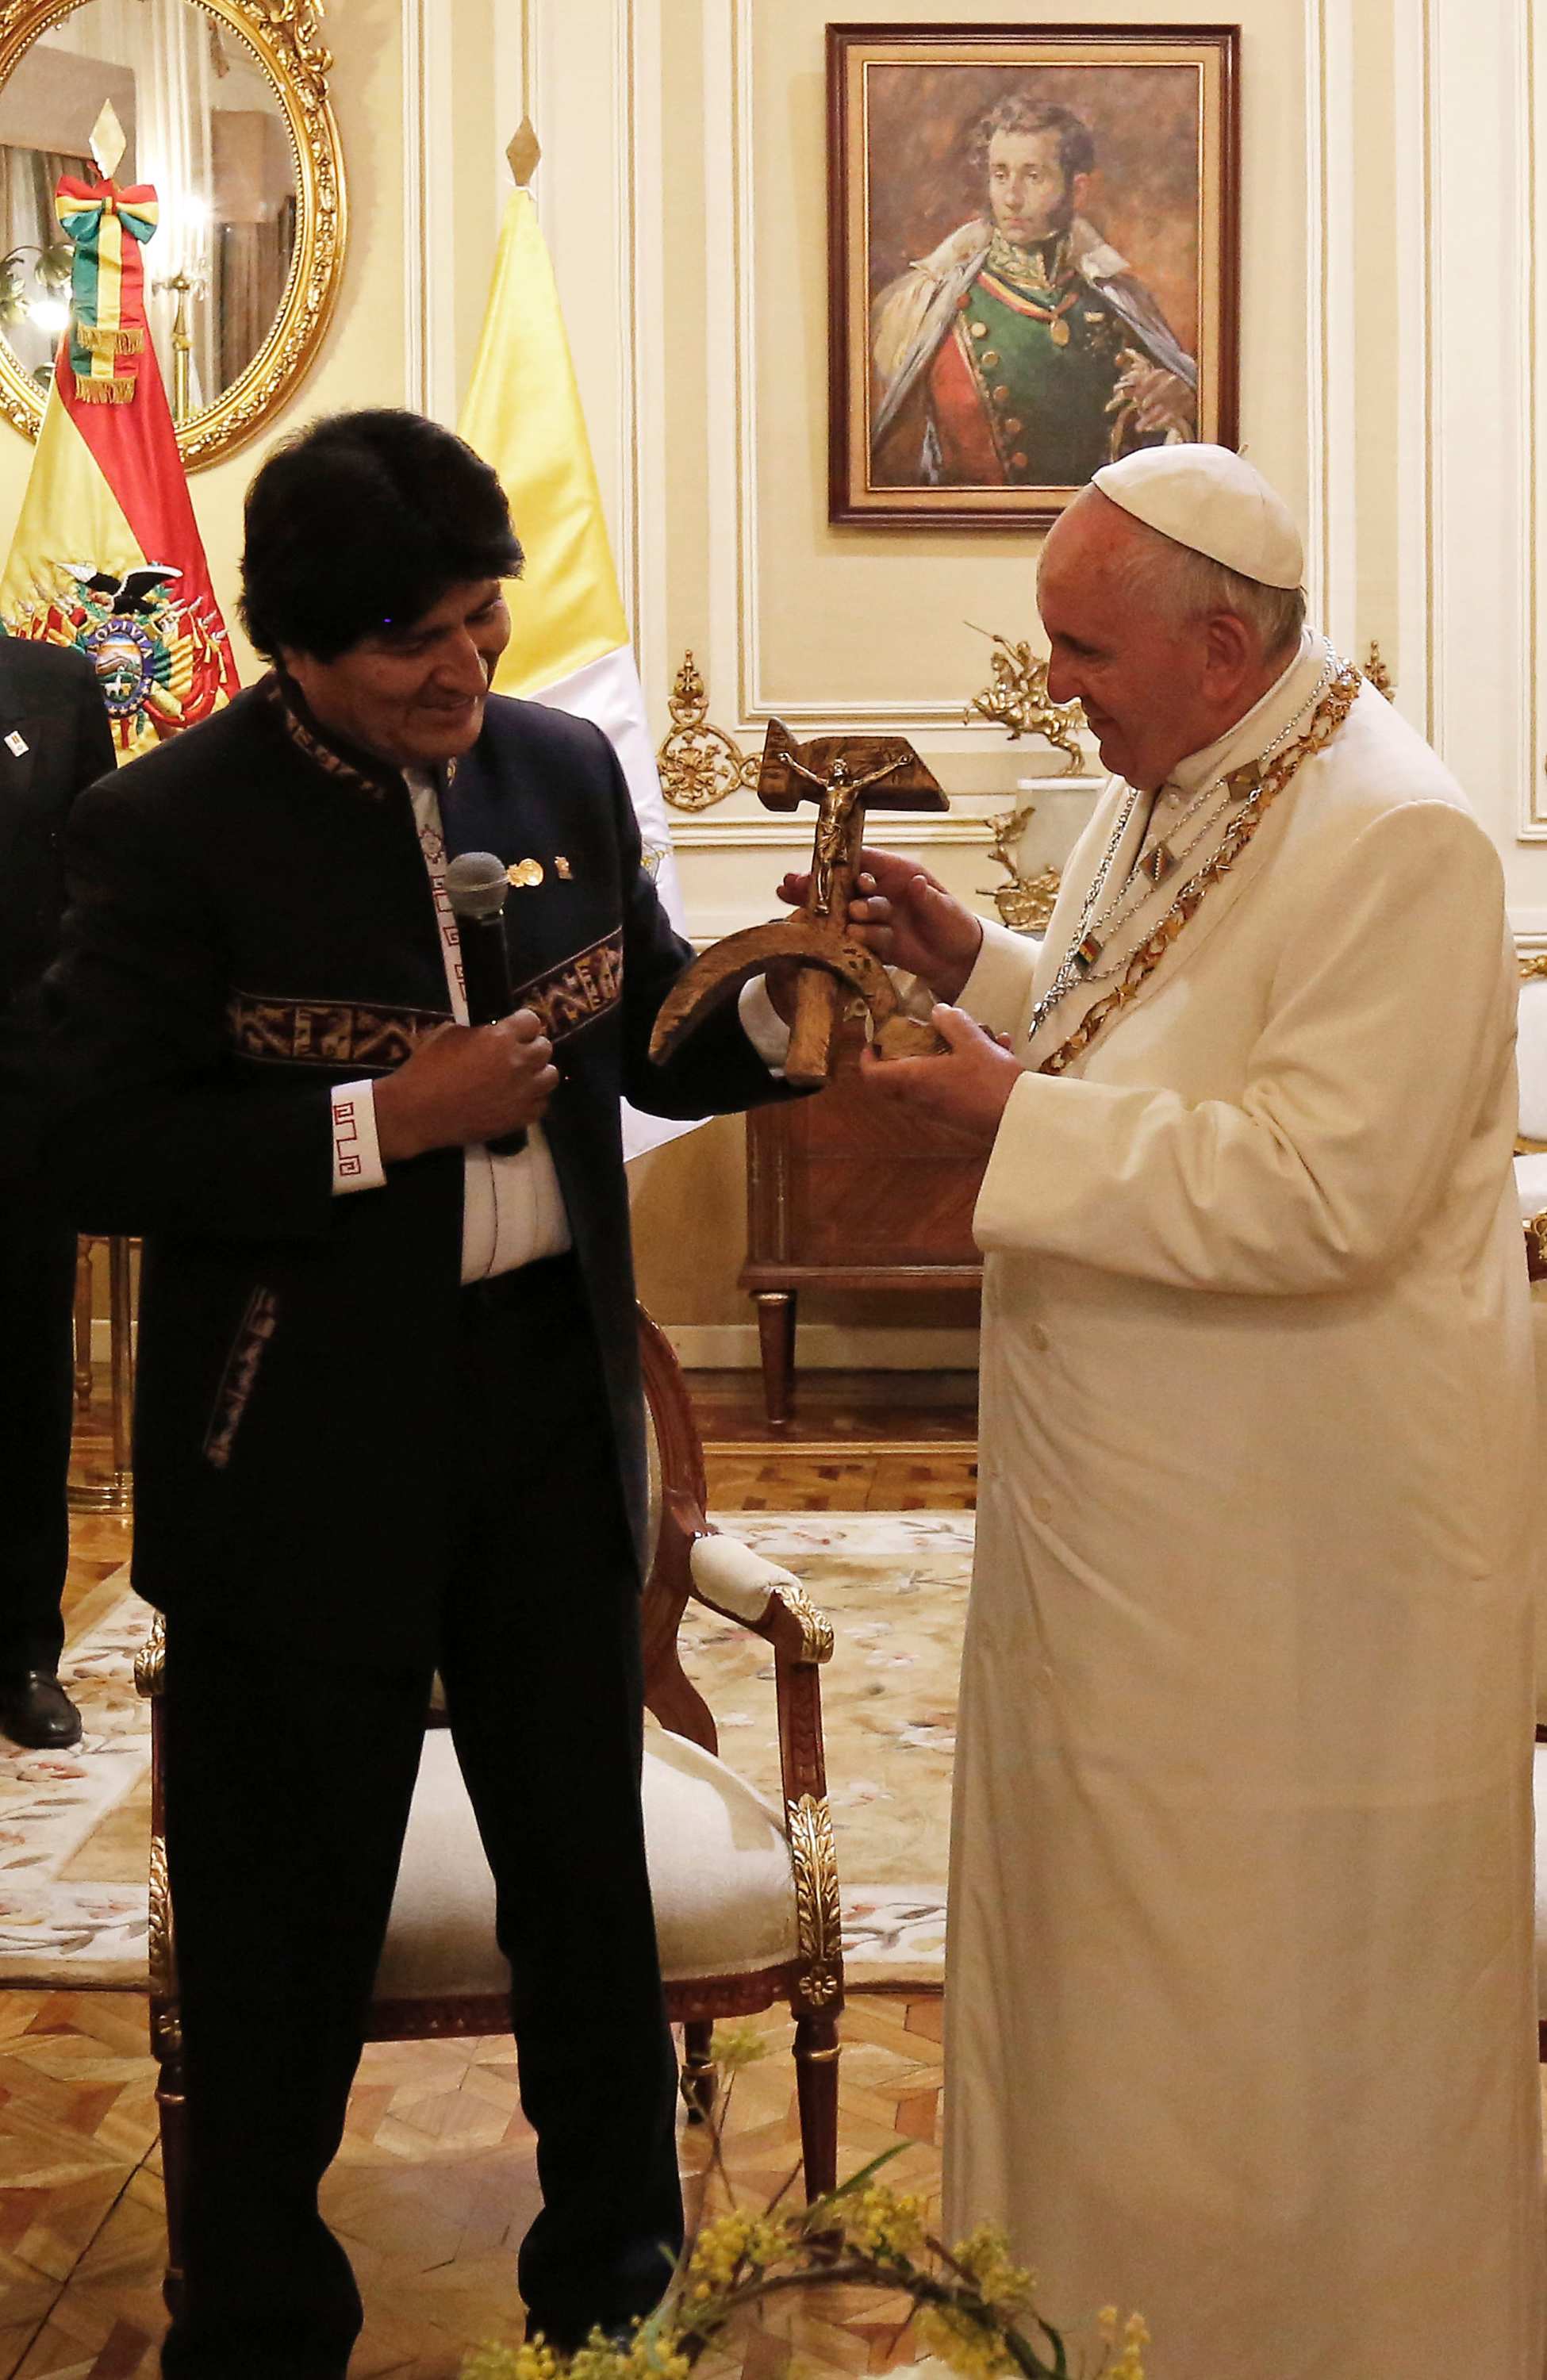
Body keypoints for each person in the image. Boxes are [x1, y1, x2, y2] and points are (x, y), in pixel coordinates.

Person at [775, 445, 1545, 2374]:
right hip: (1144, 1523)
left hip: (1296, 1567)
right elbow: (1165, 1031)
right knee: (1111, 1963)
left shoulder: (1400, 834)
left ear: (1219, 646)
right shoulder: (1176, 774)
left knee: (1261, 1994)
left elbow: (1320, 1189)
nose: (1056, 686)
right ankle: (1089, 2323)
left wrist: (1007, 1118)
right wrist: (980, 966)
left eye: (1083, 649)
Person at [44, 408, 793, 2380]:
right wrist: (382, 1121)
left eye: (480, 618)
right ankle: (261, 2320)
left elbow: (648, 1021)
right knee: (280, 1924)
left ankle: (612, 2293)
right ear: (296, 644)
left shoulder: (560, 767)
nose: (462, 670)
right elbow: (87, 1142)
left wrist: (778, 1012)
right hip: (295, 1445)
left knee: (585, 1889)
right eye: (410, 642)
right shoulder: (170, 826)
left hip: (545, 1417)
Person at [870, 94, 1196, 491]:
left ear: (1077, 190)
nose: (1011, 198)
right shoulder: (928, 306)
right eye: (1000, 175)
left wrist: (1181, 405)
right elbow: (888, 469)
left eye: (1033, 176)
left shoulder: (1118, 302)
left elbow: (1184, 448)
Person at [0, 633, 113, 1750]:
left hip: (19, 1098)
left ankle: (23, 1652)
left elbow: (103, 902)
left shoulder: (53, 684)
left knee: (21, 1374)